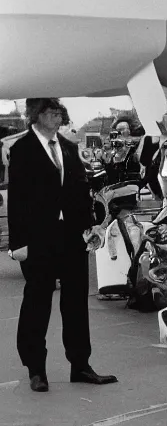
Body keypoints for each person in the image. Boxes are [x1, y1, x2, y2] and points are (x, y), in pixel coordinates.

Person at [8, 98, 118, 394]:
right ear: (38, 115)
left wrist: (92, 225)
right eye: (52, 113)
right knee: (37, 303)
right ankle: (36, 369)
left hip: (71, 236)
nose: (58, 118)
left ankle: (80, 364)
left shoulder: (68, 148)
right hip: (39, 237)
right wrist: (18, 243)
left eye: (59, 113)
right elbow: (17, 200)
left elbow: (81, 191)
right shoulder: (22, 150)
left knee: (76, 304)